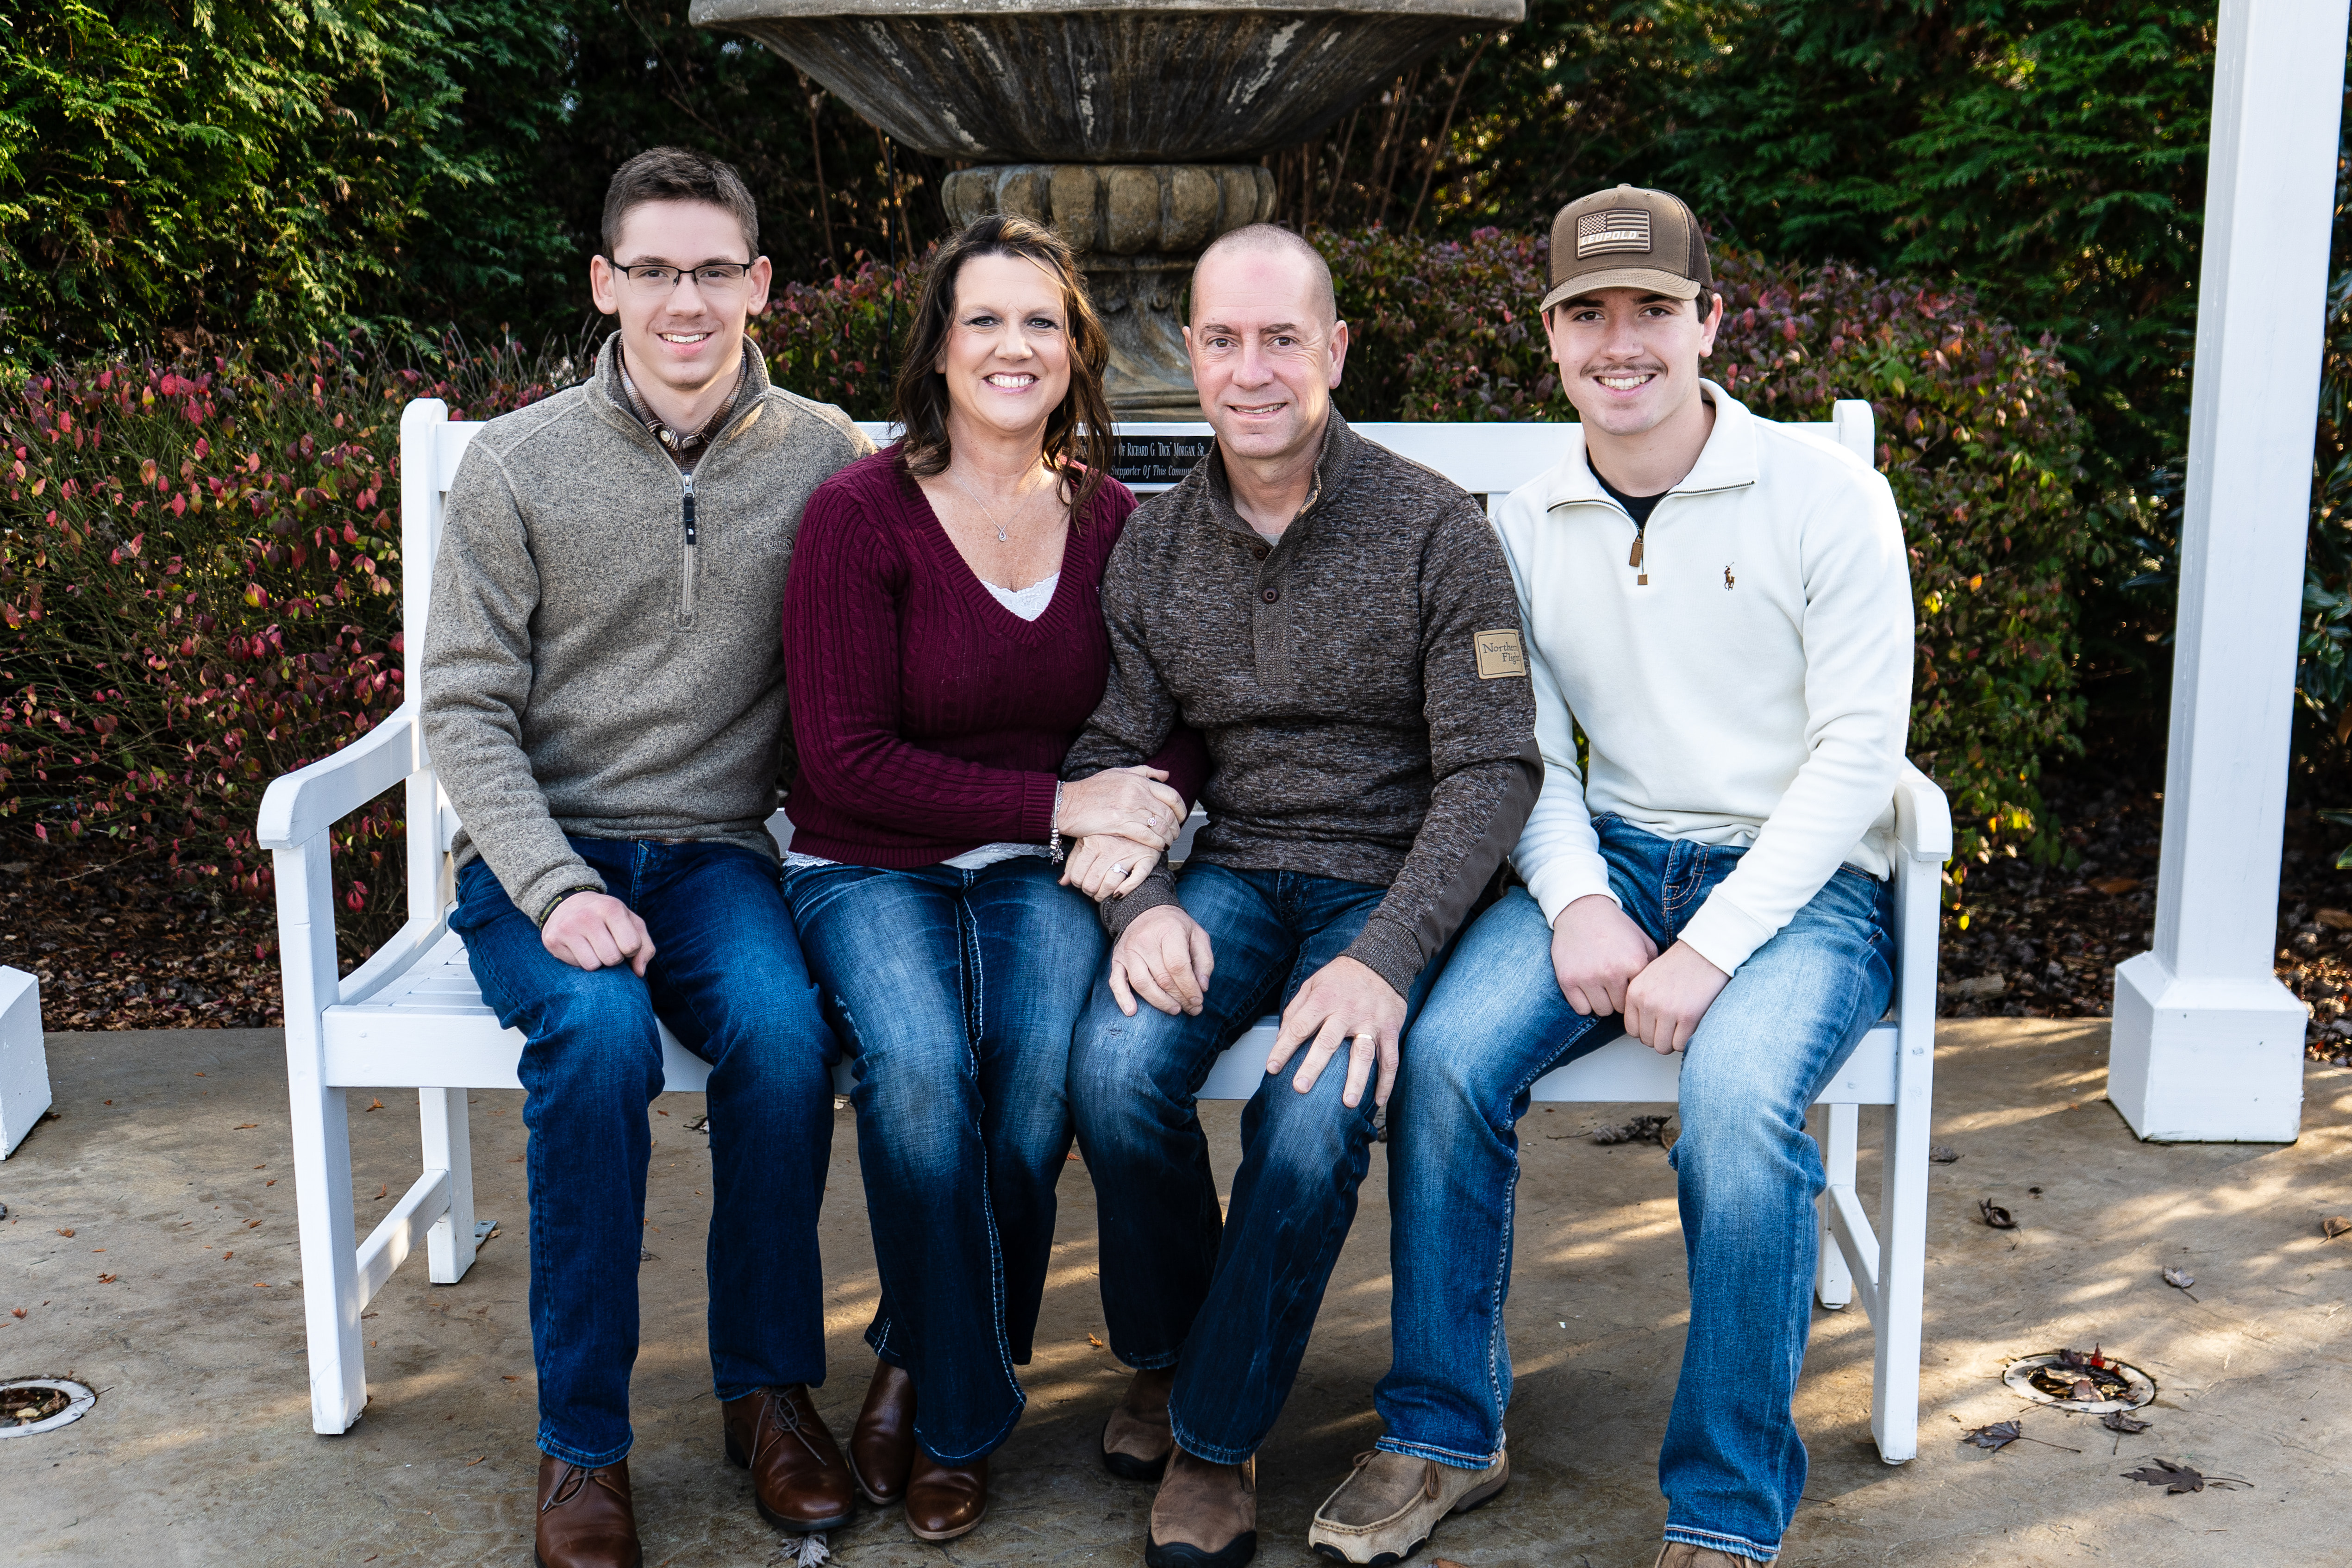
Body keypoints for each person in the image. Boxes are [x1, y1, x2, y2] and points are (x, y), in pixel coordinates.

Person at [1309, 185, 1913, 1568]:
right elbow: (1520, 750)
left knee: (1739, 1103)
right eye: (1590, 312)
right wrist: (1579, 895)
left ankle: (1723, 1508)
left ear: (1712, 320)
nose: (1621, 341)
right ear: (1553, 334)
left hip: (1800, 887)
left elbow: (1856, 756)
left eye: (1653, 308)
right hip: (1622, 858)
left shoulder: (1827, 496)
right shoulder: (1524, 522)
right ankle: (1444, 1432)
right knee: (1451, 1056)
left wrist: (1711, 946)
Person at [1062, 223, 1541, 1568]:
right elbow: (1111, 753)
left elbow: (1494, 768)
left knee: (1313, 1116)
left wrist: (1388, 957)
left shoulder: (1434, 528)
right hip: (1229, 876)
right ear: (1191, 356)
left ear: (1334, 349)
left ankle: (1214, 1439)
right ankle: (1165, 1356)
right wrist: (1142, 901)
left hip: (1382, 890)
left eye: (1282, 338)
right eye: (1223, 339)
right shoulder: (1157, 551)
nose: (1252, 369)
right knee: (1111, 1067)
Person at [422, 148, 873, 1568]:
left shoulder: (824, 455)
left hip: (717, 852)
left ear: (760, 287)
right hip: (537, 853)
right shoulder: (517, 462)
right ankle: (584, 1447)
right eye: (657, 270)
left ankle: (768, 1391)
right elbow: (462, 708)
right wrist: (554, 889)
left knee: (787, 1037)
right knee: (602, 1041)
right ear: (608, 283)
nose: (689, 300)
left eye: (716, 270)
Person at [777, 215, 1210, 1545]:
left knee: (1031, 1091)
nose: (1012, 345)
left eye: (1040, 321)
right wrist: (1062, 795)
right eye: (984, 320)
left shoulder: (1118, 518)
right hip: (867, 860)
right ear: (940, 348)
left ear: (1076, 351)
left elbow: (1188, 705)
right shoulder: (859, 516)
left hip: (1041, 873)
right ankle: (960, 1412)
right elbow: (840, 759)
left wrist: (1157, 798)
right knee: (913, 1075)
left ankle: (920, 1354)